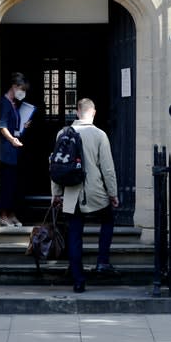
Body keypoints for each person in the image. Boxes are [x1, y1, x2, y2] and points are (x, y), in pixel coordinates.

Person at [51, 98, 120, 293]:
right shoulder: (99, 135)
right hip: (96, 191)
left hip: (71, 193)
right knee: (107, 220)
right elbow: (107, 168)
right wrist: (113, 193)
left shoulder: (63, 133)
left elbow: (56, 165)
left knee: (74, 235)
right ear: (94, 112)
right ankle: (102, 261)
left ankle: (78, 280)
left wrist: (56, 193)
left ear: (77, 112)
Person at [0, 72, 30, 227]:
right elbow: (2, 126)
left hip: (14, 150)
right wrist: (12, 139)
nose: (22, 93)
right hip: (6, 150)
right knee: (6, 183)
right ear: (14, 86)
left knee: (14, 184)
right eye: (22, 89)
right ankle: (3, 215)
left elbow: (12, 125)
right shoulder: (4, 103)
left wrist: (22, 126)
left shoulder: (14, 104)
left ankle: (11, 214)